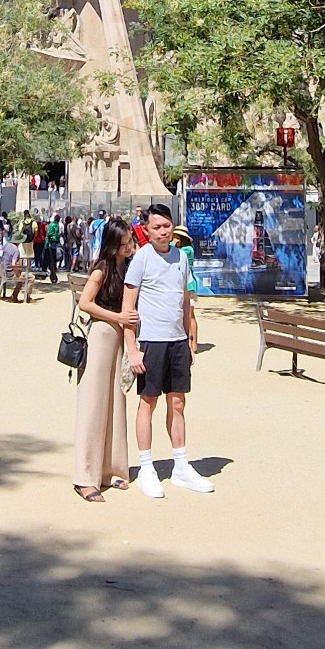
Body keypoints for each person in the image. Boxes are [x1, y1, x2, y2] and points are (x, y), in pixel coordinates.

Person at [122, 201, 209, 497]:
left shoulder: (181, 258)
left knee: (178, 402)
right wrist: (132, 350)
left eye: (166, 226)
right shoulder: (141, 260)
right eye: (156, 227)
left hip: (176, 341)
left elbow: (185, 301)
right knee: (148, 401)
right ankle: (146, 466)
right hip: (151, 342)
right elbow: (127, 309)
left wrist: (189, 338)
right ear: (146, 229)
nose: (162, 232)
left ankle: (181, 464)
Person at [71, 217, 134, 500]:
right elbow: (85, 303)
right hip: (100, 336)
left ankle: (111, 469)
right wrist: (117, 317)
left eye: (130, 240)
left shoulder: (128, 268)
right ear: (113, 244)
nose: (129, 246)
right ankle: (85, 476)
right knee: (93, 404)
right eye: (124, 243)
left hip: (118, 337)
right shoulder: (102, 269)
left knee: (115, 402)